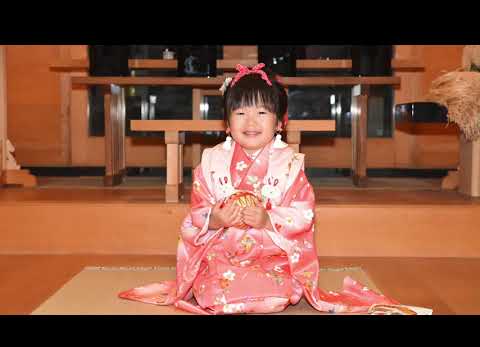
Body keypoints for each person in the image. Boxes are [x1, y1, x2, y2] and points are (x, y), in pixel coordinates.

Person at [119, 63, 399, 314]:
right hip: (223, 253)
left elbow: (303, 214)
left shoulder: (289, 166)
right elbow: (197, 210)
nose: (250, 121)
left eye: (262, 112)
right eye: (240, 112)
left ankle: (257, 293)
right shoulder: (212, 161)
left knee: (277, 291)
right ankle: (230, 292)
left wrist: (267, 219)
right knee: (215, 284)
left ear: (279, 122)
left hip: (270, 254)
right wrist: (214, 219)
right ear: (227, 123)